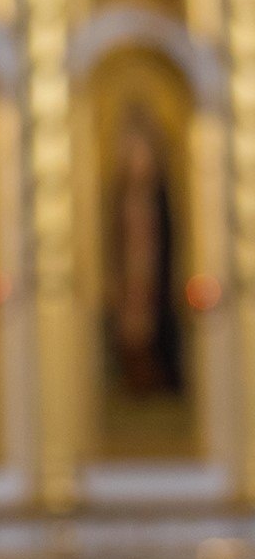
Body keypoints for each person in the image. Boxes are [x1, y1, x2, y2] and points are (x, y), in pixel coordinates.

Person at [108, 106, 183, 394]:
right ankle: (134, 374)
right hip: (130, 269)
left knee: (149, 315)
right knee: (133, 319)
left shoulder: (157, 200)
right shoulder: (122, 200)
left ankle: (156, 372)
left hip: (150, 265)